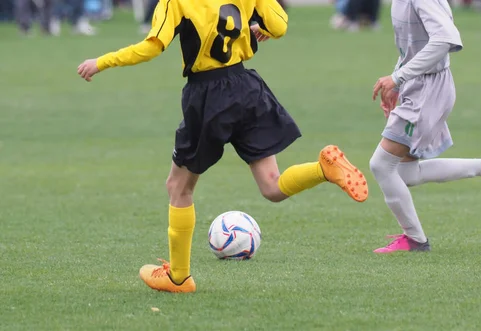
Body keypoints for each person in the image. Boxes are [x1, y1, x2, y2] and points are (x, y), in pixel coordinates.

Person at [77, 0, 369, 293]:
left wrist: (102, 62)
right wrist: (260, 27)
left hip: (207, 96)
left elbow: (153, 46)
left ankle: (178, 278)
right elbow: (279, 25)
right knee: (272, 186)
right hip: (246, 86)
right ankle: (323, 169)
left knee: (178, 187)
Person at [370, 0, 481, 253]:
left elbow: (444, 39)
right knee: (405, 175)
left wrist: (397, 78)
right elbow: (412, 48)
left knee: (381, 165)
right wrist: (397, 83)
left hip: (428, 90)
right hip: (418, 86)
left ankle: (416, 241)